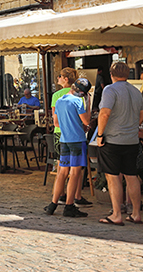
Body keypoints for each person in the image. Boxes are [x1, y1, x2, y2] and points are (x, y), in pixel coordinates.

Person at [97, 62, 143, 226]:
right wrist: (132, 125)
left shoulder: (110, 90)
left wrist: (99, 134)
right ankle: (136, 213)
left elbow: (104, 113)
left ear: (111, 74)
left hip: (113, 139)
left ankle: (117, 214)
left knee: (113, 178)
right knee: (132, 176)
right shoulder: (135, 91)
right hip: (131, 140)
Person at [44, 78, 91, 218]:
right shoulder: (78, 101)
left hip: (64, 140)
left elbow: (56, 123)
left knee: (62, 173)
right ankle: (69, 206)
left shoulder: (60, 100)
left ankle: (53, 204)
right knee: (75, 174)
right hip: (77, 140)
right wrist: (87, 104)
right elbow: (86, 121)